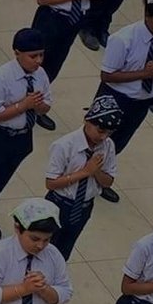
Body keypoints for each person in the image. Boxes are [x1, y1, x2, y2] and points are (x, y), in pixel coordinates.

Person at [96, 0, 153, 155]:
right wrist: (144, 74)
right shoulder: (123, 39)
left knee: (116, 146)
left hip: (142, 102)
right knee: (97, 142)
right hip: (116, 98)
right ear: (147, 15)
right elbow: (107, 76)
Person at [0, 30, 52, 213]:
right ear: (17, 52)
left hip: (21, 137)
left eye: (41, 55)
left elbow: (46, 107)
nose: (38, 60)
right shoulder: (0, 77)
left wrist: (38, 105)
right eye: (33, 56)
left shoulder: (40, 74)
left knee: (1, 179)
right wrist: (23, 105)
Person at [43, 95, 123, 260]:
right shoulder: (65, 145)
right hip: (59, 203)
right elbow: (51, 183)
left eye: (108, 133)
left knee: (63, 252)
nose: (103, 137)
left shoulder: (108, 146)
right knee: (44, 248)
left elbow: (108, 181)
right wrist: (85, 172)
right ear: (87, 120)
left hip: (83, 206)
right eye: (100, 130)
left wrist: (96, 171)